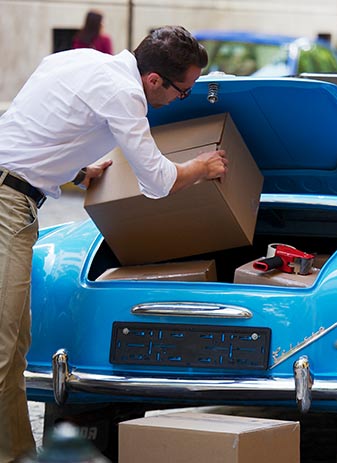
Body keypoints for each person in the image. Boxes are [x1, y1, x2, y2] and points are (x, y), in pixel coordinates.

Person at [0, 25, 227, 462]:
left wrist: (78, 168)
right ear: (154, 80)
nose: (181, 100)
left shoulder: (79, 58)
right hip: (6, 204)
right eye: (183, 92)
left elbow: (43, 120)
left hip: (15, 198)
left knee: (13, 356)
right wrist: (202, 166)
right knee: (3, 349)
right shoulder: (124, 94)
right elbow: (158, 182)